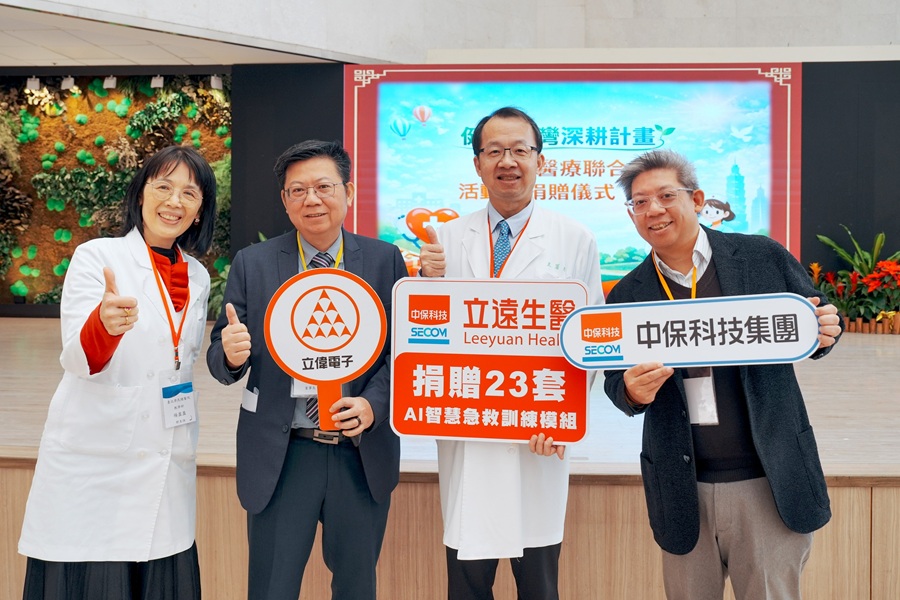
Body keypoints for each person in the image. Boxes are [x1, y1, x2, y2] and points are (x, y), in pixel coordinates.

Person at [603, 149, 843, 600]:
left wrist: (828, 328)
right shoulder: (628, 293)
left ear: (696, 200)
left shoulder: (760, 256)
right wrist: (631, 391)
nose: (653, 210)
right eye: (640, 202)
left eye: (666, 196)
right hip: (683, 488)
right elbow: (616, 383)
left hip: (768, 480)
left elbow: (815, 314)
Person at [206, 140, 406, 600]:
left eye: (323, 187)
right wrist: (231, 354)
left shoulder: (384, 260)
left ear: (348, 192)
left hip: (359, 453)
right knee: (271, 588)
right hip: (282, 454)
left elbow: (402, 352)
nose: (311, 199)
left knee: (357, 587)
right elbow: (220, 356)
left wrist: (374, 405)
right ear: (285, 200)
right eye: (297, 190)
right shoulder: (253, 264)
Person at [418, 106, 604, 600]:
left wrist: (563, 417)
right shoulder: (447, 239)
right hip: (468, 431)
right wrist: (425, 281)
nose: (508, 161)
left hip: (538, 439)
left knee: (538, 583)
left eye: (520, 150)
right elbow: (424, 334)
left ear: (540, 161)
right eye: (495, 151)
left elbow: (590, 340)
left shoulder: (575, 238)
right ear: (477, 164)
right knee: (467, 583)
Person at [19, 145, 218, 599]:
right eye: (163, 187)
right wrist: (104, 325)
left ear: (200, 209)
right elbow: (78, 358)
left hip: (166, 457)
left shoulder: (198, 276)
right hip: (97, 463)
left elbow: (178, 360)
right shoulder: (97, 257)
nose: (174, 202)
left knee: (162, 572)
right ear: (141, 193)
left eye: (189, 193)